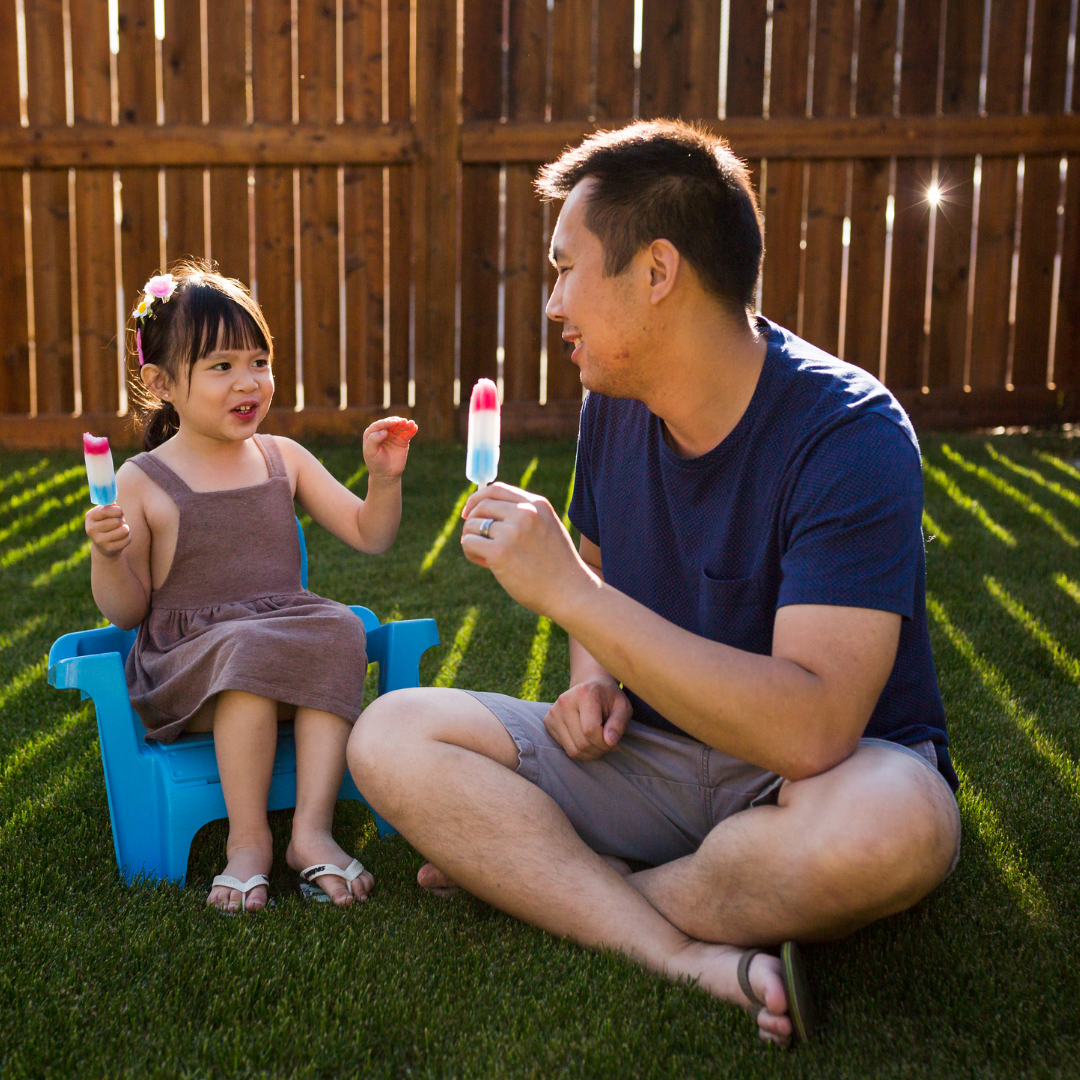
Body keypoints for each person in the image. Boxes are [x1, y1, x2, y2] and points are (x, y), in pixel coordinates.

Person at [347, 120, 962, 1046]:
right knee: (390, 733)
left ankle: (572, 891)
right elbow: (600, 560)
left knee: (897, 831)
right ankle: (676, 946)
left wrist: (574, 602)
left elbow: (813, 727)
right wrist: (590, 679)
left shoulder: (851, 435)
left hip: (815, 779)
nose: (554, 303)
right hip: (655, 759)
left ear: (657, 272)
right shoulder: (613, 407)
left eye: (565, 269)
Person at [85, 260, 417, 913]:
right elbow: (126, 611)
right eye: (220, 367)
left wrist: (383, 481)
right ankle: (247, 843)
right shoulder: (144, 480)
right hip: (191, 669)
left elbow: (368, 534)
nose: (249, 382)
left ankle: (311, 833)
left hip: (278, 639)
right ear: (162, 383)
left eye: (258, 361)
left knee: (340, 627)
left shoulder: (281, 457)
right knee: (249, 660)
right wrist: (108, 555)